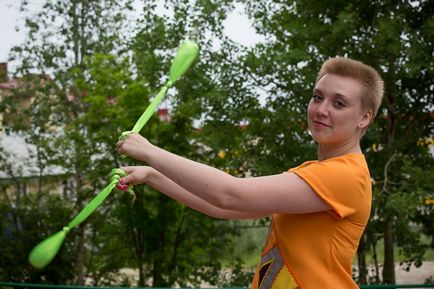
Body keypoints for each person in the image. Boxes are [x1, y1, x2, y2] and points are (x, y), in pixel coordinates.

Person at [116, 57, 384, 289]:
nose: (321, 109)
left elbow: (230, 194)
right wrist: (152, 175)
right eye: (317, 97)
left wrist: (150, 151)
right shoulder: (314, 174)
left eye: (339, 103)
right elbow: (221, 208)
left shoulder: (346, 175)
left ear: (364, 118)